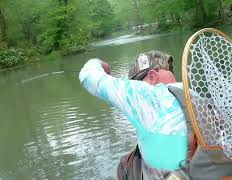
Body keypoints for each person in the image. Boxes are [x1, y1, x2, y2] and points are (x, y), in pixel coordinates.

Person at [79, 51, 191, 179]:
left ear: (152, 77)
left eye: (137, 82)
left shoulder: (150, 95)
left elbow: (88, 76)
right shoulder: (200, 100)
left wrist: (100, 64)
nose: (136, 86)